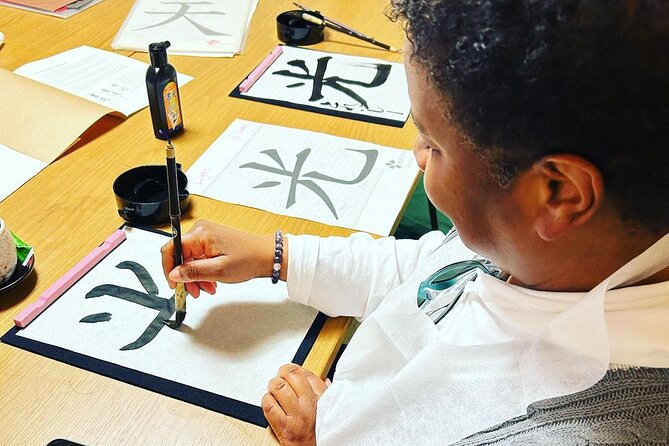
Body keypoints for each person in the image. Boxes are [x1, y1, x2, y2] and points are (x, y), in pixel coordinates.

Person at [161, 0, 669, 444]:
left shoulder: (569, 424)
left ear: (558, 193)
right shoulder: (546, 248)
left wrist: (330, 437)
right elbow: (431, 269)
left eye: (433, 142)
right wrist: (275, 256)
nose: (417, 156)